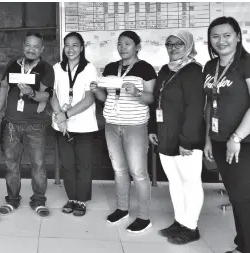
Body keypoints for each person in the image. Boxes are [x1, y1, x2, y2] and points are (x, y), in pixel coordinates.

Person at [91, 31, 157, 233]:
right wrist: (96, 89)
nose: (122, 47)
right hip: (112, 124)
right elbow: (105, 98)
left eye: (127, 44)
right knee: (119, 170)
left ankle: (144, 217)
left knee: (138, 172)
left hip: (135, 125)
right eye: (119, 44)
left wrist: (137, 93)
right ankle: (122, 208)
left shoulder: (145, 69)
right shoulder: (111, 68)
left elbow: (151, 99)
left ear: (137, 46)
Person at [148, 30, 205, 244]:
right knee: (174, 181)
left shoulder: (193, 71)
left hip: (186, 139)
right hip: (165, 135)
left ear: (188, 46)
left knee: (190, 182)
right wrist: (153, 128)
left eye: (178, 44)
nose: (173, 48)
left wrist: (186, 140)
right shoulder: (165, 69)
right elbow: (157, 101)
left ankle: (191, 226)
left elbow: (194, 109)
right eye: (169, 44)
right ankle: (180, 221)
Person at [0, 32, 55, 217]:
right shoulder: (13, 64)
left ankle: (38, 200)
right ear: (23, 46)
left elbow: (47, 95)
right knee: (11, 164)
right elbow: (4, 88)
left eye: (36, 47)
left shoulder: (46, 68)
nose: (31, 49)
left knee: (38, 165)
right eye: (28, 45)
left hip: (36, 125)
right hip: (12, 123)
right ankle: (12, 200)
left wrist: (30, 93)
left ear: (42, 49)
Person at [203, 17, 250, 253]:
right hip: (220, 141)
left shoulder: (246, 63)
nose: (221, 41)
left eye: (227, 35)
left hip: (242, 142)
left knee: (243, 199)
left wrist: (237, 137)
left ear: (238, 36)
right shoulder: (210, 66)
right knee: (236, 197)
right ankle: (242, 244)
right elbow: (210, 104)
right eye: (215, 36)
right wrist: (209, 139)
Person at [51, 32, 99, 217]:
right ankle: (71, 197)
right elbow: (52, 95)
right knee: (68, 164)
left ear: (82, 47)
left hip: (84, 124)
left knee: (83, 163)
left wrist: (65, 115)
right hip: (62, 126)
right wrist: (59, 116)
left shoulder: (89, 68)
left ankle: (82, 199)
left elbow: (89, 99)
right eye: (67, 45)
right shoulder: (56, 68)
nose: (70, 49)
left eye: (75, 45)